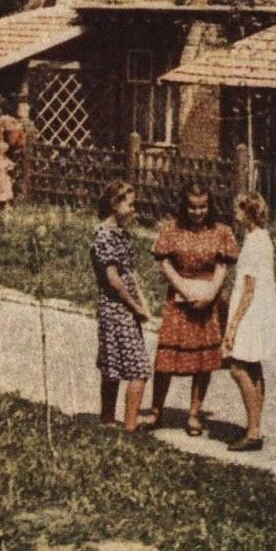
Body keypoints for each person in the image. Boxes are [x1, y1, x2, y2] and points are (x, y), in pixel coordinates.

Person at [142, 183, 238, 436]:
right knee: (166, 358)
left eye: (203, 207)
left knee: (203, 361)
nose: (198, 212)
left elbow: (222, 266)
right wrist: (183, 289)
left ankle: (194, 413)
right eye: (192, 207)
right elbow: (164, 261)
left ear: (210, 206)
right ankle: (156, 411)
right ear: (184, 206)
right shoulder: (171, 229)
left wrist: (210, 294)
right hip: (179, 298)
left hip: (208, 300)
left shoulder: (221, 232)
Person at [222, 193, 276, 452]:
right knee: (253, 366)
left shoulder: (253, 243)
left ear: (248, 212)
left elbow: (248, 290)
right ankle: (254, 425)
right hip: (261, 310)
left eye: (238, 209)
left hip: (250, 312)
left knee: (237, 367)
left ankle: (254, 431)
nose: (234, 213)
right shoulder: (261, 237)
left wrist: (233, 324)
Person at [91, 180, 151, 431]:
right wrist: (134, 306)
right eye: (130, 204)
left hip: (126, 306)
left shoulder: (122, 234)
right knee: (137, 368)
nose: (133, 209)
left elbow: (131, 273)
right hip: (115, 306)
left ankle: (109, 420)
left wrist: (143, 303)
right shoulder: (104, 235)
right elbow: (114, 280)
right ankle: (128, 426)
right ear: (114, 205)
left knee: (114, 364)